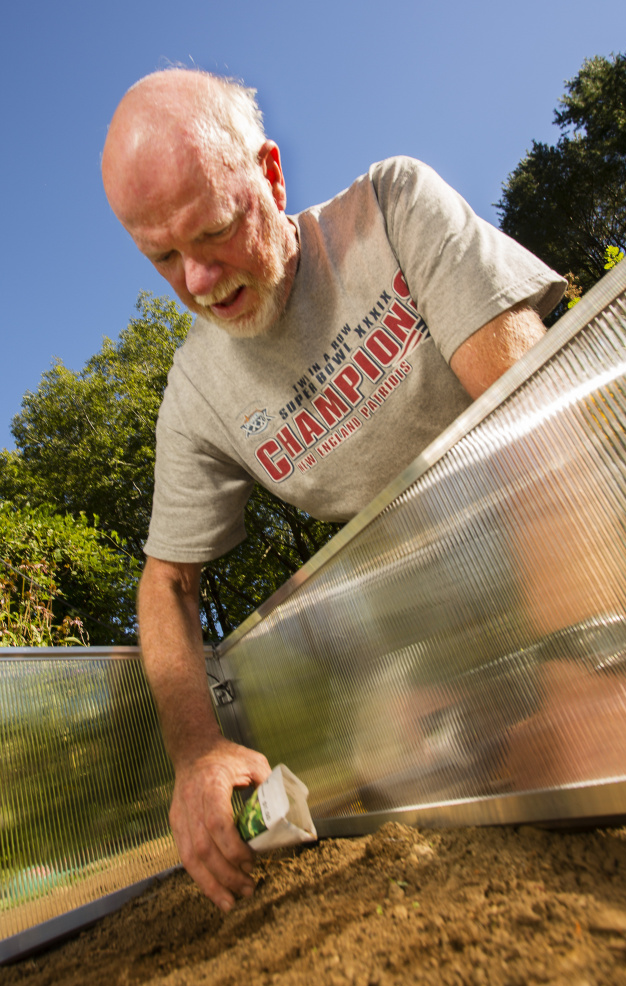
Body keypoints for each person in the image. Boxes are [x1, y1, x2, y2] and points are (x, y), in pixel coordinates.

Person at [101, 68, 566, 911]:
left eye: (212, 231)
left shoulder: (390, 210)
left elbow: (531, 411)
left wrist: (578, 647)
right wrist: (196, 750)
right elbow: (165, 582)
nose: (198, 280)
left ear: (270, 177)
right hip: (428, 606)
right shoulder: (197, 395)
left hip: (566, 517)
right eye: (163, 257)